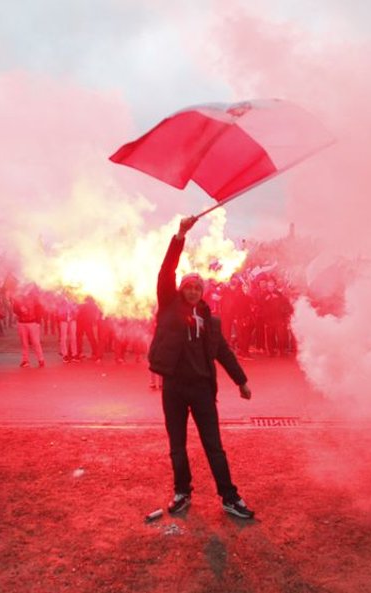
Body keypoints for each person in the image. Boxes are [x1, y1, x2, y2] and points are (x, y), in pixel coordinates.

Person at [148, 216, 255, 519]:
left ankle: (229, 496)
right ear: (181, 290)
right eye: (188, 287)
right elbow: (165, 271)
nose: (192, 291)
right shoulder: (169, 305)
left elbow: (223, 352)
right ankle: (182, 492)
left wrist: (241, 381)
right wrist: (180, 235)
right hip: (174, 388)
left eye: (197, 288)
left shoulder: (211, 321)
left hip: (202, 390)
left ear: (202, 292)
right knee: (177, 445)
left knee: (214, 446)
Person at [13, 286, 45, 368]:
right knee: (24, 343)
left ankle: (41, 359)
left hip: (32, 322)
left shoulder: (35, 297)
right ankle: (25, 360)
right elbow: (14, 309)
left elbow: (40, 309)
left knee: (36, 342)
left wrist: (38, 321)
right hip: (22, 322)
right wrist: (20, 310)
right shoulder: (18, 297)